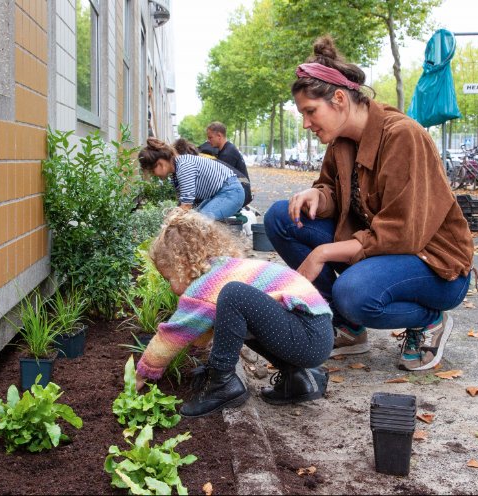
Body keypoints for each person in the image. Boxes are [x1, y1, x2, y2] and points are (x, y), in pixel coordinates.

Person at [264, 35, 475, 372]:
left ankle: (429, 320)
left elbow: (402, 234)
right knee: (281, 217)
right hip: (380, 251)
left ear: (338, 99)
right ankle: (348, 328)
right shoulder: (340, 141)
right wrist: (318, 196)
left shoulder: (402, 136)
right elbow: (334, 189)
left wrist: (322, 253)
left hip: (432, 264)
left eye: (310, 112)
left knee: (353, 294)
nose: (305, 123)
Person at [134, 209, 334, 417]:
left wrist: (142, 372)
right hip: (315, 332)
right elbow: (205, 325)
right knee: (236, 314)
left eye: (169, 278)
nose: (170, 286)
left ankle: (222, 383)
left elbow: (174, 333)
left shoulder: (206, 285)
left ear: (182, 265)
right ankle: (298, 380)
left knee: (234, 294)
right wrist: (193, 348)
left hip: (309, 337)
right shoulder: (222, 269)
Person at [138, 138, 244, 221]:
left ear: (160, 164)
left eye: (152, 171)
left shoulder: (184, 167)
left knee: (199, 223)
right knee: (195, 219)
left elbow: (186, 206)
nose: (153, 175)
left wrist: (169, 221)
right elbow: (184, 203)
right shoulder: (176, 171)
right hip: (220, 193)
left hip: (230, 192)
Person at [174, 138, 253, 209]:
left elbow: (190, 200)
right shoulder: (199, 158)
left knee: (204, 217)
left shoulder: (186, 165)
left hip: (239, 189)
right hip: (240, 186)